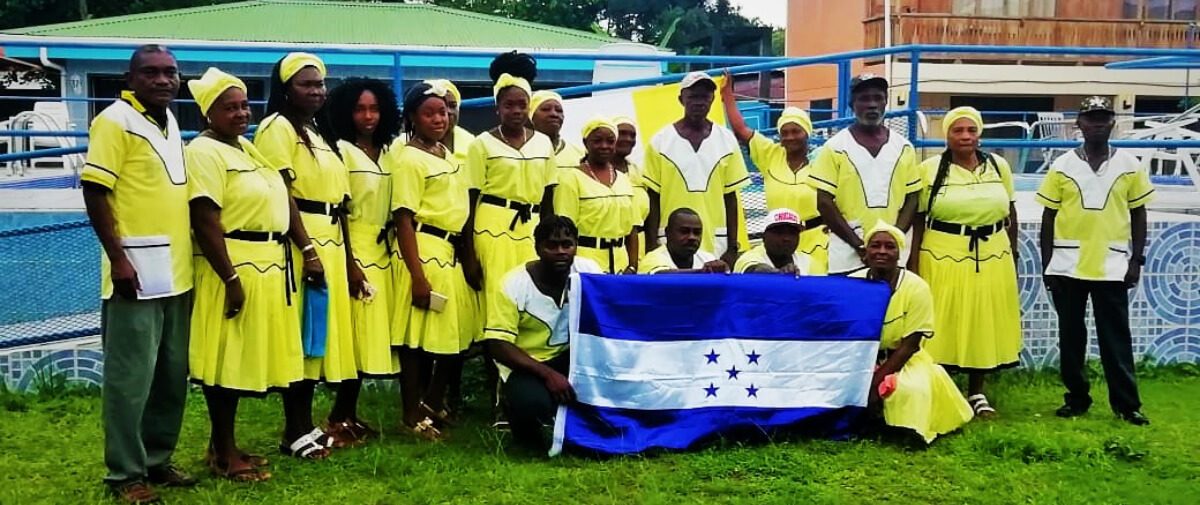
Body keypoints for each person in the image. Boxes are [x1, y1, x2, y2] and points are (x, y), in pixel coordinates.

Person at [81, 44, 196, 503]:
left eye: (170, 72)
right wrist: (118, 258)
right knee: (130, 380)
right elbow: (95, 191)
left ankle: (157, 460)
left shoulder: (170, 124)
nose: (164, 80)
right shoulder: (114, 121)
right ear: (131, 79)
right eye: (151, 73)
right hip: (137, 272)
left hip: (178, 272)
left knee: (171, 374)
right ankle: (125, 474)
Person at [185, 67, 299, 483]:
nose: (240, 113)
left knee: (242, 359)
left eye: (243, 105)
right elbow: (205, 217)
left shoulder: (246, 149)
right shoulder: (203, 152)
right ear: (207, 113)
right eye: (228, 107)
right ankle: (224, 452)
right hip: (233, 264)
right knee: (225, 363)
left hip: (266, 261)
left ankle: (223, 445)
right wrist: (231, 279)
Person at [254, 52, 358, 457]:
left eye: (320, 84)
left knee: (317, 335)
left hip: (329, 238)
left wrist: (346, 259)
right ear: (285, 89)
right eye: (306, 84)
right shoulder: (276, 128)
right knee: (301, 335)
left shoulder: (315, 132)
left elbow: (339, 200)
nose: (317, 91)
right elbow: (284, 193)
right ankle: (294, 428)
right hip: (304, 243)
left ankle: (307, 424)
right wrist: (308, 250)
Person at [1036, 96, 1153, 426]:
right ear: (1080, 124)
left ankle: (1127, 404)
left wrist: (1137, 260)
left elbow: (1138, 214)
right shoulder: (1062, 166)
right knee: (1071, 338)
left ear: (1113, 122)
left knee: (1116, 338)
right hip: (1067, 265)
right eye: (1091, 118)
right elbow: (1048, 217)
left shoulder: (1129, 165)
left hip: (1112, 265)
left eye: (1103, 118)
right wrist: (1048, 265)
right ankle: (1076, 398)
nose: (1098, 124)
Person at [907, 106, 1021, 418]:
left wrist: (1013, 250)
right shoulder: (929, 170)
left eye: (971, 130)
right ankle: (939, 387)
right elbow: (919, 218)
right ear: (946, 135)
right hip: (942, 254)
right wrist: (914, 261)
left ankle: (977, 391)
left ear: (980, 133)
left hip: (992, 254)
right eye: (958, 130)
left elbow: (1010, 212)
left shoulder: (998, 167)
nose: (965, 136)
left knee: (982, 320)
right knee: (942, 321)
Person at [387, 81, 478, 439]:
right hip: (424, 249)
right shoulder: (409, 158)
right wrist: (417, 275)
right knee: (416, 340)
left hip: (449, 251)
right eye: (429, 113)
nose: (439, 118)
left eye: (443, 111)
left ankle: (433, 401)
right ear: (413, 117)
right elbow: (404, 217)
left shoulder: (447, 154)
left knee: (455, 334)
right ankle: (411, 413)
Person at [318, 78, 404, 442]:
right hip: (355, 249)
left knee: (369, 338)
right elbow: (340, 211)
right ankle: (337, 417)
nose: (367, 116)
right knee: (353, 337)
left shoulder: (388, 151)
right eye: (359, 109)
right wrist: (351, 263)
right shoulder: (341, 151)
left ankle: (349, 414)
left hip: (384, 250)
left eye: (374, 108)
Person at [483, 216, 602, 452]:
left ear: (576, 246)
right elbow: (497, 344)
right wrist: (548, 375)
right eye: (551, 246)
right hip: (528, 365)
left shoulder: (589, 272)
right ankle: (518, 417)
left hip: (573, 357)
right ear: (537, 248)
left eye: (567, 245)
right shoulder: (512, 284)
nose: (560, 252)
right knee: (532, 406)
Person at [851, 221, 974, 444]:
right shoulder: (852, 283)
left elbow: (910, 345)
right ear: (865, 252)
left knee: (909, 391)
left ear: (900, 253)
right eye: (875, 246)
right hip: (861, 359)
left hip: (903, 360)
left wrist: (874, 384)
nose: (882, 252)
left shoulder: (916, 287)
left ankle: (902, 431)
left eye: (890, 247)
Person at [808, 74, 921, 274]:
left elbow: (912, 198)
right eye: (864, 99)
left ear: (886, 102)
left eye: (878, 98)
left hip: (893, 255)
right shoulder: (835, 147)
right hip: (849, 255)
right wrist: (860, 245)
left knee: (892, 304)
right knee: (850, 304)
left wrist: (892, 239)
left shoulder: (904, 148)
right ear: (852, 104)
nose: (872, 105)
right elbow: (824, 202)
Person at [466, 52, 557, 296]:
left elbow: (549, 200)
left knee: (530, 296)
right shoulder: (481, 144)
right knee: (497, 295)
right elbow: (470, 201)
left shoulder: (543, 143)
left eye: (522, 104)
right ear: (497, 108)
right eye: (509, 105)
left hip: (531, 231)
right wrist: (468, 254)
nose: (516, 110)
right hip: (492, 230)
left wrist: (550, 240)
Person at [720, 72, 828, 274]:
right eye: (784, 133)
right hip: (779, 242)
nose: (790, 137)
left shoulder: (823, 159)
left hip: (817, 240)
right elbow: (741, 129)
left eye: (796, 131)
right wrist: (728, 95)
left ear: (807, 132)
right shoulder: (770, 155)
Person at [643, 71, 751, 265]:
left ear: (712, 100)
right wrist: (651, 245)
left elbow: (731, 198)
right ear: (681, 99)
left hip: (716, 241)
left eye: (705, 97)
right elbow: (652, 199)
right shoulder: (660, 142)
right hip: (669, 245)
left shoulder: (726, 140)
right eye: (693, 96)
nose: (699, 102)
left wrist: (733, 247)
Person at [554, 117, 639, 274]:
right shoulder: (571, 178)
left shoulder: (624, 179)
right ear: (586, 143)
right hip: (585, 261)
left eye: (610, 141)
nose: (604, 146)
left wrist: (632, 266)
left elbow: (632, 230)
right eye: (597, 141)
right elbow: (564, 228)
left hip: (621, 263)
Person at [639, 208, 727, 274]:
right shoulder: (653, 258)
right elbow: (662, 276)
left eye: (697, 232)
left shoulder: (708, 258)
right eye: (684, 231)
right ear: (667, 232)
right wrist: (702, 273)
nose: (692, 237)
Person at [612, 115, 651, 257]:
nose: (628, 139)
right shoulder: (594, 173)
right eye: (622, 133)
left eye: (632, 135)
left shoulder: (639, 173)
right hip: (615, 247)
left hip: (641, 246)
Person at [733, 208, 811, 275]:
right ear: (764, 236)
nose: (787, 238)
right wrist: (778, 274)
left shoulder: (808, 261)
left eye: (792, 233)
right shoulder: (748, 258)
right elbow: (753, 270)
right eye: (779, 232)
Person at [529, 89, 586, 172]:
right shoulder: (520, 153)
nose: (554, 114)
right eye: (546, 109)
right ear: (531, 116)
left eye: (559, 110)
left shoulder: (580, 155)